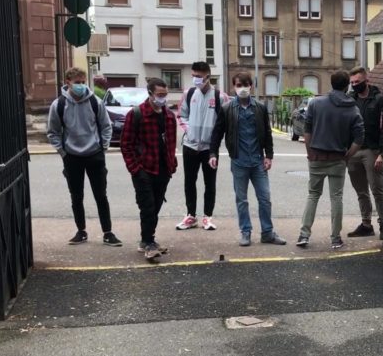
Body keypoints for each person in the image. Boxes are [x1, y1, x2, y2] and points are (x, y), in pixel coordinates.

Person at [46, 66, 122, 247]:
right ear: (68, 83)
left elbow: (106, 126)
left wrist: (102, 147)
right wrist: (62, 152)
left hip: (94, 155)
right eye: (76, 82)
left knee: (101, 195)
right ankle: (81, 231)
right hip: (72, 157)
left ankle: (108, 232)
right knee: (76, 196)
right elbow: (53, 132)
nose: (80, 85)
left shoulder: (95, 102)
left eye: (82, 82)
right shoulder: (59, 105)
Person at [208, 73, 286, 247]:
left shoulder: (259, 107)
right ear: (234, 87)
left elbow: (267, 133)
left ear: (251, 85)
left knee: (265, 198)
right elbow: (217, 132)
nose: (241, 88)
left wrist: (269, 156)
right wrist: (212, 154)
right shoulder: (227, 108)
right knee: (241, 200)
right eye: (238, 85)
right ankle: (246, 232)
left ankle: (267, 233)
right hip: (239, 162)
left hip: (258, 162)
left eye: (245, 84)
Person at [296, 71, 364, 249]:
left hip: (317, 156)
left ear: (331, 84)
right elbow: (359, 138)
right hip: (338, 158)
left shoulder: (316, 103)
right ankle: (335, 238)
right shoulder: (353, 108)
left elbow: (307, 129)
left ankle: (304, 234)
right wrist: (348, 155)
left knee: (313, 195)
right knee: (336, 198)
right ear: (346, 85)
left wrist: (310, 152)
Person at [121, 78, 178, 260]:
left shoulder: (169, 116)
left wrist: (172, 164)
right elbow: (126, 144)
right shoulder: (137, 114)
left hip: (163, 169)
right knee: (147, 206)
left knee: (156, 207)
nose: (163, 98)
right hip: (144, 168)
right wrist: (135, 169)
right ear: (150, 94)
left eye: (165, 95)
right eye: (159, 95)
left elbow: (171, 143)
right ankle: (148, 242)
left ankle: (147, 240)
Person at [176, 61, 223, 231]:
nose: (195, 79)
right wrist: (190, 132)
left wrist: (214, 143)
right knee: (190, 181)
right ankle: (190, 215)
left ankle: (207, 217)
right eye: (194, 76)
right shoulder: (188, 94)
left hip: (209, 149)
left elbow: (222, 122)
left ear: (208, 76)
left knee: (210, 183)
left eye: (199, 76)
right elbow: (181, 115)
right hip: (190, 146)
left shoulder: (219, 96)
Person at [345, 67, 383, 239]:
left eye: (358, 82)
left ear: (366, 81)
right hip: (353, 151)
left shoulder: (378, 99)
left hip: (371, 149)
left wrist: (382, 154)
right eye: (352, 82)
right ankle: (366, 224)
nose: (355, 85)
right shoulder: (350, 99)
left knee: (377, 189)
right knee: (361, 191)